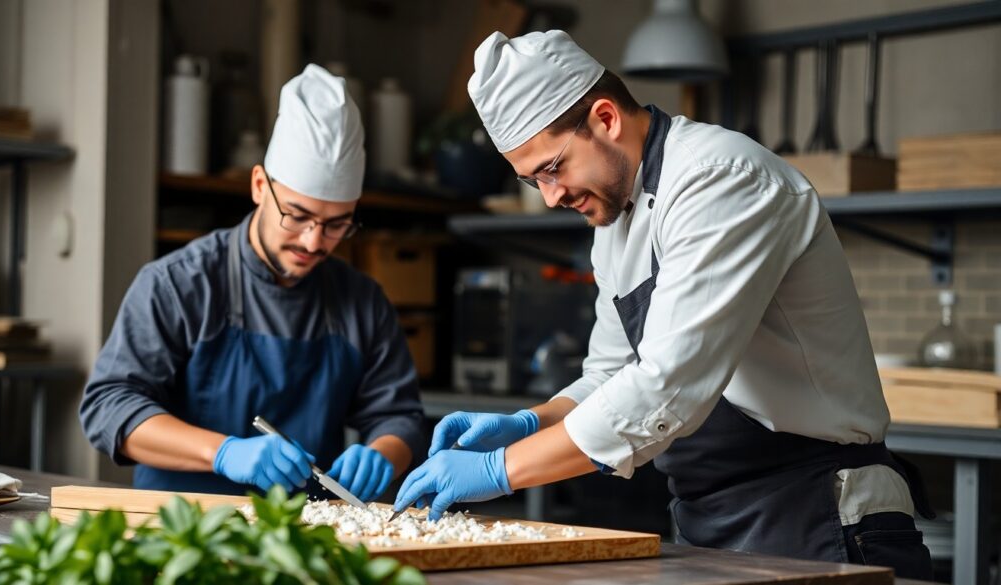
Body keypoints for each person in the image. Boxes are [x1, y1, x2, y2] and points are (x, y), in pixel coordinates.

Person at [394, 31, 933, 578]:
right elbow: (610, 375)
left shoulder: (720, 179)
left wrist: (500, 469)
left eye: (553, 167)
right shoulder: (614, 218)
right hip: (708, 515)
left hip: (818, 511)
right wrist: (533, 421)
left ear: (606, 118)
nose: (551, 196)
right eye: (533, 181)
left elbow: (666, 387)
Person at [80, 65, 424, 501]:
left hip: (309, 535)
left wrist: (383, 453)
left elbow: (400, 416)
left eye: (337, 224)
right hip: (183, 530)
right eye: (297, 216)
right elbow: (108, 408)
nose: (314, 241)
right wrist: (223, 452)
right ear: (260, 185)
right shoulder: (178, 284)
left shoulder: (362, 301)